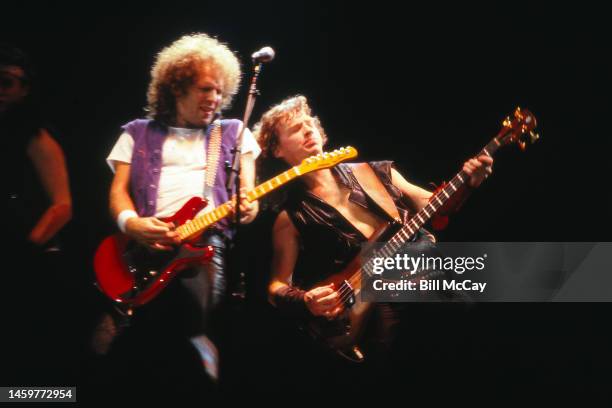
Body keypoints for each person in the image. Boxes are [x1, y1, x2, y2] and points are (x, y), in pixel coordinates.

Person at [253, 95, 493, 389]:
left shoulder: (376, 171)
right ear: (277, 149)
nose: (307, 131)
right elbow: (275, 286)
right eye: (295, 129)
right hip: (374, 315)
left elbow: (434, 205)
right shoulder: (290, 217)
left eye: (309, 124)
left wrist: (467, 183)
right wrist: (305, 300)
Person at [104, 33, 260, 388]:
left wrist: (249, 207)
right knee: (145, 341)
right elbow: (117, 194)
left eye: (220, 91)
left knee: (190, 326)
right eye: (206, 89)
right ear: (177, 87)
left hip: (204, 246)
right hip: (143, 249)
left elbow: (249, 199)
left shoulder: (234, 132)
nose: (215, 99)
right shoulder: (137, 132)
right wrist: (133, 225)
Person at [1, 44, 73, 384]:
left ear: (25, 88)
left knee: (31, 365)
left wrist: (25, 251)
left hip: (30, 260)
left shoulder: (35, 135)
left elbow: (62, 206)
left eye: (7, 82)